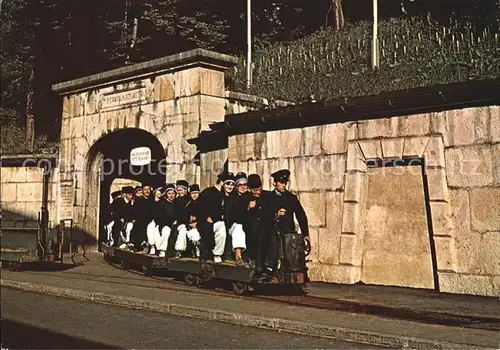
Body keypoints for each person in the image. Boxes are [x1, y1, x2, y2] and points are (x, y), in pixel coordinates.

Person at [258, 169, 310, 282]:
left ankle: (299, 270)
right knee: (272, 240)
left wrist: (306, 234)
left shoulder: (291, 198)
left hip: (287, 229)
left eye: (285, 183)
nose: (283, 185)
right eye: (281, 183)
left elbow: (301, 215)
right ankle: (268, 269)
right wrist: (276, 214)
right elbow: (263, 214)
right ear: (275, 183)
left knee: (295, 242)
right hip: (271, 229)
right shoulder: (268, 197)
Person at [197, 173, 229, 263]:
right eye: (227, 183)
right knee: (207, 232)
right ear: (222, 182)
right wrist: (205, 217)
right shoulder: (208, 192)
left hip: (219, 221)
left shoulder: (225, 194)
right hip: (207, 221)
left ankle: (217, 254)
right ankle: (205, 254)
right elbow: (199, 207)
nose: (230, 186)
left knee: (222, 232)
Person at [148, 185, 175, 257]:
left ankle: (162, 250)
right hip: (162, 223)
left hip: (172, 224)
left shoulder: (176, 203)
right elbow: (158, 216)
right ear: (166, 194)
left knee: (167, 230)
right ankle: (156, 248)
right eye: (169, 194)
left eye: (173, 193)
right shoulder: (161, 203)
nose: (171, 195)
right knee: (157, 229)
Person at [173, 180, 190, 258]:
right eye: (178, 190)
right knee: (182, 230)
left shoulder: (190, 199)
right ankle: (179, 250)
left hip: (191, 223)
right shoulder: (176, 201)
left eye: (181, 190)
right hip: (181, 223)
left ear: (186, 190)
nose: (179, 192)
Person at [185, 184, 202, 258]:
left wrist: (197, 223)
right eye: (192, 193)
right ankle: (192, 250)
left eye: (196, 193)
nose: (194, 195)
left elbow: (204, 216)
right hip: (190, 226)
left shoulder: (202, 203)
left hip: (200, 225)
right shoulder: (188, 204)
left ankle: (198, 249)